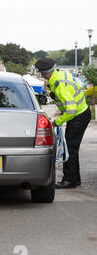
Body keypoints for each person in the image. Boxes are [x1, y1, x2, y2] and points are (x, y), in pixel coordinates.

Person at [35, 58, 91, 189]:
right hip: (80, 113)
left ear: (44, 73)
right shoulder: (59, 75)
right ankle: (74, 179)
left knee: (70, 148)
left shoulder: (58, 84)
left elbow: (71, 110)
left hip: (78, 116)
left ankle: (70, 180)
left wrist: (57, 122)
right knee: (71, 148)